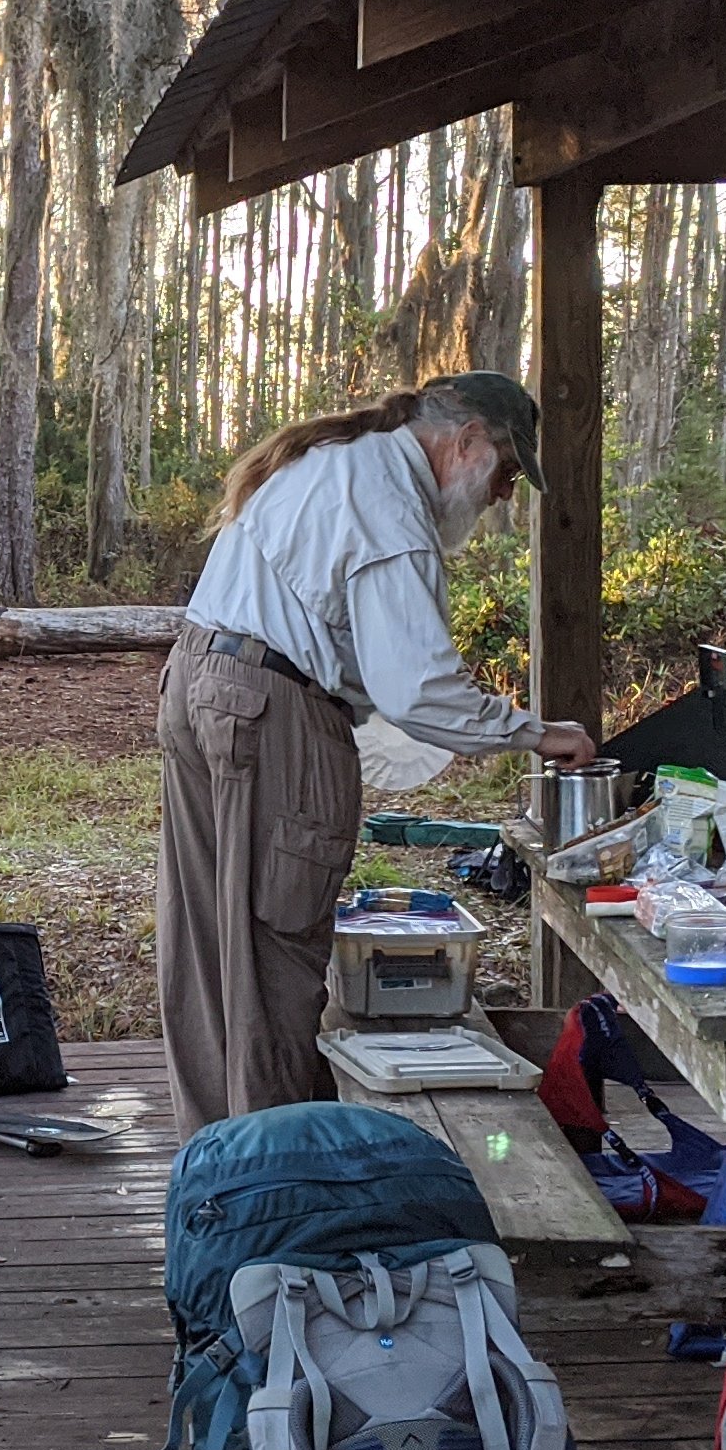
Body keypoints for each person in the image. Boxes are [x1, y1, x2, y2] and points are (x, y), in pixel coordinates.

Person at [159, 372, 596, 1126]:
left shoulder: (335, 460)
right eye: (508, 473)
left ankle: (215, 1173)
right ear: (467, 443)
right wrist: (541, 734)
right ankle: (282, 1187)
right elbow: (420, 690)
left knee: (206, 954)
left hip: (201, 680)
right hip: (272, 713)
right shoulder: (389, 508)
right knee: (273, 960)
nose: (504, 496)